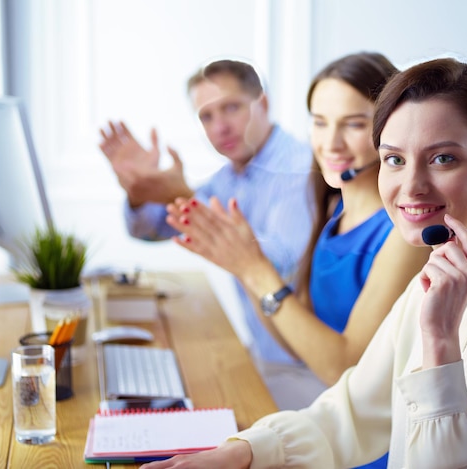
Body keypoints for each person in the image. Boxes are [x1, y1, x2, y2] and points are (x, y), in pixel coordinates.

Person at [139, 57, 467, 468]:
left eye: (443, 158)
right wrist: (241, 452)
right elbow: (350, 412)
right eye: (395, 159)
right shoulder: (435, 272)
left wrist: (440, 343)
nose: (412, 185)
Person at [166, 52, 430, 426]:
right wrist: (242, 265)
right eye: (320, 123)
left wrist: (255, 269)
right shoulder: (335, 211)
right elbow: (294, 341)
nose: (330, 143)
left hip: (368, 434)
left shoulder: (404, 235)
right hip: (325, 407)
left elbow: (346, 369)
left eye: (353, 124)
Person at [98, 60, 316, 407]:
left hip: (306, 371)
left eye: (231, 107)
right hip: (267, 356)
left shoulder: (300, 168)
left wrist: (178, 194)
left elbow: (280, 263)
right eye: (206, 116)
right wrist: (141, 190)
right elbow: (151, 229)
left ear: (263, 102)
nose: (221, 127)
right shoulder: (230, 177)